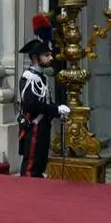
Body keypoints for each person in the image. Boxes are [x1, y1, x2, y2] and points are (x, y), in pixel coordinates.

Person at [17, 14, 70, 177]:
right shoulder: (29, 77)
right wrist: (55, 110)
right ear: (35, 58)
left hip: (43, 126)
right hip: (34, 126)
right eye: (46, 55)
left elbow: (45, 100)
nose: (51, 58)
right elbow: (31, 105)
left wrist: (56, 109)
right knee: (31, 165)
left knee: (40, 162)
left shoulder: (41, 76)